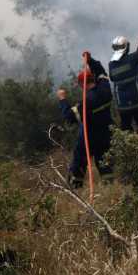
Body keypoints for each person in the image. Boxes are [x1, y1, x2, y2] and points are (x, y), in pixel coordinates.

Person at [57, 54, 114, 188]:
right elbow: (101, 72)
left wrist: (62, 99)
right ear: (93, 78)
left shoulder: (86, 102)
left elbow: (69, 117)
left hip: (89, 138)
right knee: (105, 164)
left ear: (82, 85)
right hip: (106, 135)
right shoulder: (105, 89)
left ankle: (75, 187)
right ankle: (110, 187)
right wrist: (90, 60)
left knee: (79, 162)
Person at [108, 28, 138, 138]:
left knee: (126, 131)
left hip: (122, 106)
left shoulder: (111, 65)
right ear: (126, 47)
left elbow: (113, 78)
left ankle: (129, 151)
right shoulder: (134, 59)